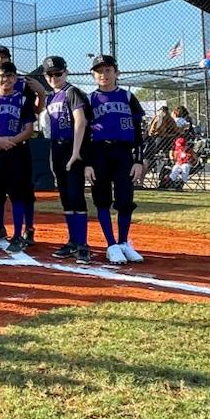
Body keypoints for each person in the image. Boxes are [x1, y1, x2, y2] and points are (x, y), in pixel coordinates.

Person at [86, 54, 146, 264]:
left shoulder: (128, 97)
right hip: (99, 152)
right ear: (93, 75)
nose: (103, 74)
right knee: (102, 199)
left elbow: (138, 132)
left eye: (108, 70)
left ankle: (123, 243)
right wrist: (87, 163)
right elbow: (83, 134)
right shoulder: (89, 99)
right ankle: (111, 244)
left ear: (116, 73)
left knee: (125, 199)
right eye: (99, 71)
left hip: (123, 152)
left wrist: (138, 160)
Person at [0, 45, 43, 246]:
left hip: (18, 148)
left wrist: (42, 95)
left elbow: (33, 117)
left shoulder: (23, 89)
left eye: (4, 57)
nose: (0, 60)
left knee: (22, 192)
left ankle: (25, 230)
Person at [42, 56, 92, 265]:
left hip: (73, 147)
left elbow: (81, 122)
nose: (54, 78)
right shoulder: (50, 98)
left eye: (58, 73)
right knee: (65, 197)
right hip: (58, 149)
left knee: (76, 196)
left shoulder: (72, 92)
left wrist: (76, 152)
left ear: (66, 72)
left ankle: (83, 244)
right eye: (49, 74)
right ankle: (73, 241)